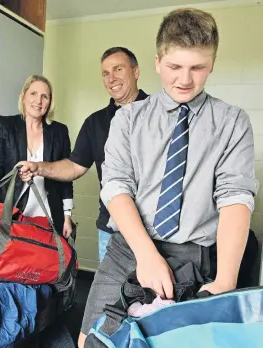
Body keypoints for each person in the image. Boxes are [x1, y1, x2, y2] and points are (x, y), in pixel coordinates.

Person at [78, 8, 258, 347]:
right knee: (92, 341)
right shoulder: (128, 120)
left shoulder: (233, 122)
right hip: (126, 249)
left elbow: (236, 197)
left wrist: (226, 282)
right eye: (175, 66)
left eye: (198, 67)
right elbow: (115, 186)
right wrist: (146, 255)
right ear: (158, 62)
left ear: (213, 64)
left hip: (194, 254)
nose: (185, 80)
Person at [18, 47, 149, 261]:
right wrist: (38, 167)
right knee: (112, 295)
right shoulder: (94, 123)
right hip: (111, 232)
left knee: (159, 294)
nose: (112, 78)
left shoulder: (159, 113)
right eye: (106, 73)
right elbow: (73, 166)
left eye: (118, 69)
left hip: (155, 231)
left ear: (136, 72)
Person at [0, 75, 73, 238]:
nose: (38, 101)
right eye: (33, 94)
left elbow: (66, 176)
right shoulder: (4, 126)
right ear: (22, 97)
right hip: (11, 215)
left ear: (49, 102)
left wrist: (67, 216)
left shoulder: (59, 131)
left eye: (45, 96)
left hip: (49, 215)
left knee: (46, 261)